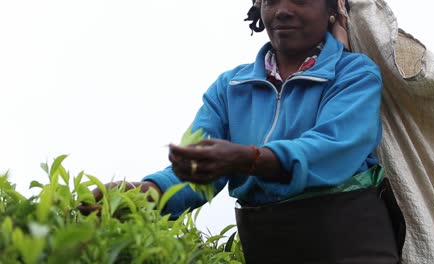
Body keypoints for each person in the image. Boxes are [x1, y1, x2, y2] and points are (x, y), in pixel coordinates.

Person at [79, 0, 405, 263]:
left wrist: (248, 158)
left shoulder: (353, 74)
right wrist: (144, 193)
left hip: (349, 242)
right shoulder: (230, 87)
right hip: (269, 246)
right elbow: (198, 168)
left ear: (333, 7)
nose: (283, 9)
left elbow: (335, 147)